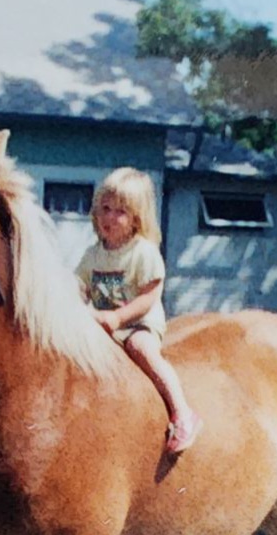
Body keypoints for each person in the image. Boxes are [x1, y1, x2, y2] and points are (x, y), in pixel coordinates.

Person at [77, 167, 202, 453]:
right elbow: (80, 285)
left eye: (120, 211)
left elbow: (149, 296)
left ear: (136, 218)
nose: (109, 217)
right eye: (105, 208)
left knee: (140, 348)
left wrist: (118, 317)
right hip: (105, 325)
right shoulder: (93, 254)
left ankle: (182, 413)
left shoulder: (142, 252)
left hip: (138, 324)